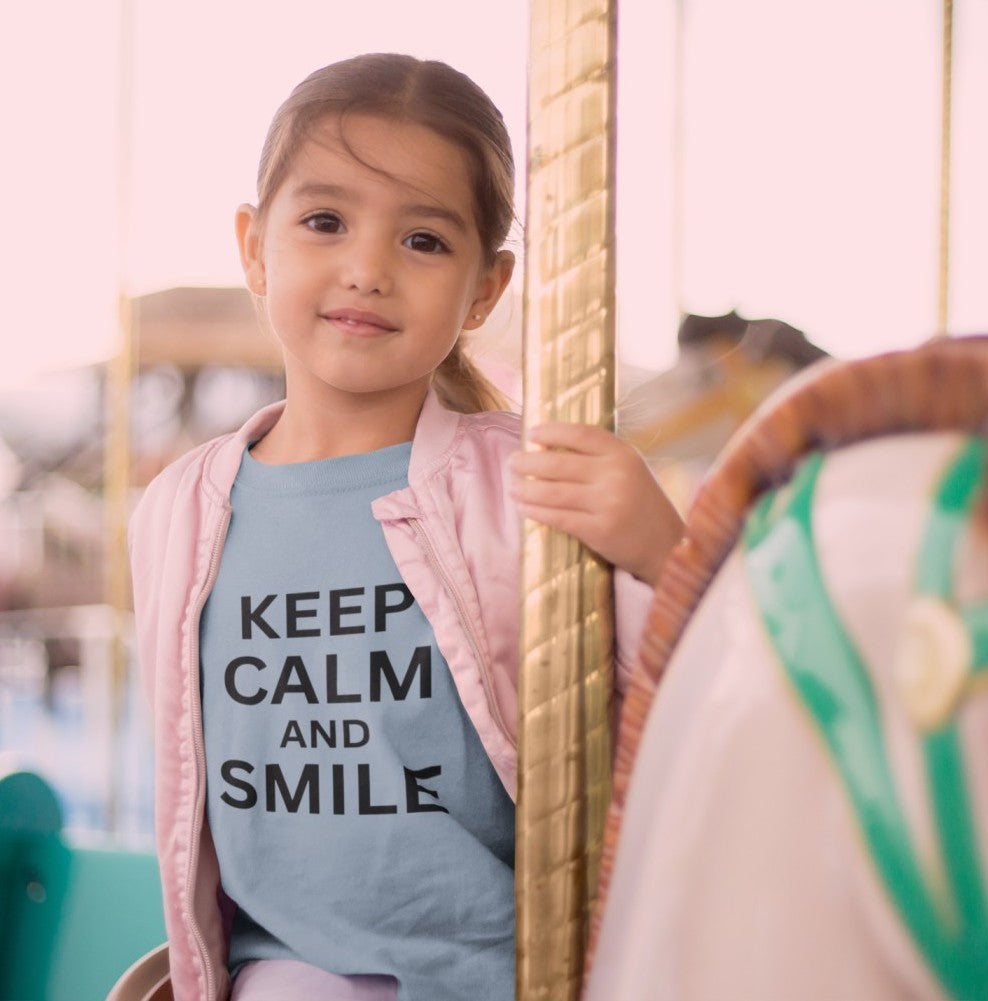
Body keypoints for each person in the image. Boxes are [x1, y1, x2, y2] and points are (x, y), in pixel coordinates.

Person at [128, 53, 684, 1001]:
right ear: (256, 246)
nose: (367, 269)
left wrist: (664, 555)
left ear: (484, 289)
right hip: (280, 969)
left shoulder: (523, 484)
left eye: (423, 240)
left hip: (499, 969)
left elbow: (689, 713)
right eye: (325, 221)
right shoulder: (178, 510)